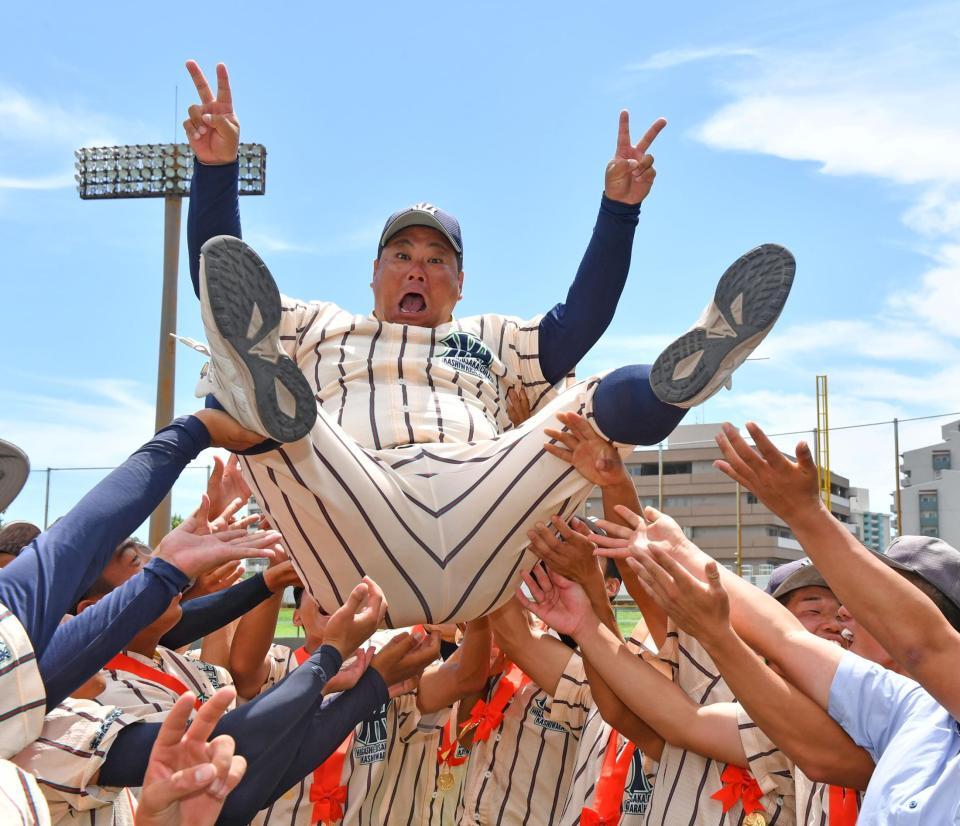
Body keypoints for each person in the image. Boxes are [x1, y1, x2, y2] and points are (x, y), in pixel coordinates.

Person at [179, 60, 796, 626]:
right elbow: (224, 289)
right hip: (356, 513)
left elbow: (578, 321)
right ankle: (254, 384)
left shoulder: (488, 336)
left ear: (460, 283)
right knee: (274, 403)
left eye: (437, 258)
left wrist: (619, 210)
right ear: (373, 271)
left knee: (589, 405)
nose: (417, 269)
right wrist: (215, 171)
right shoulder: (318, 323)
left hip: (483, 510)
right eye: (401, 255)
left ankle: (683, 380)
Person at [0, 408, 277, 760]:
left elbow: (73, 543)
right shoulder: (99, 687)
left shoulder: (169, 659)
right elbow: (70, 546)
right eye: (136, 561)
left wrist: (195, 431)